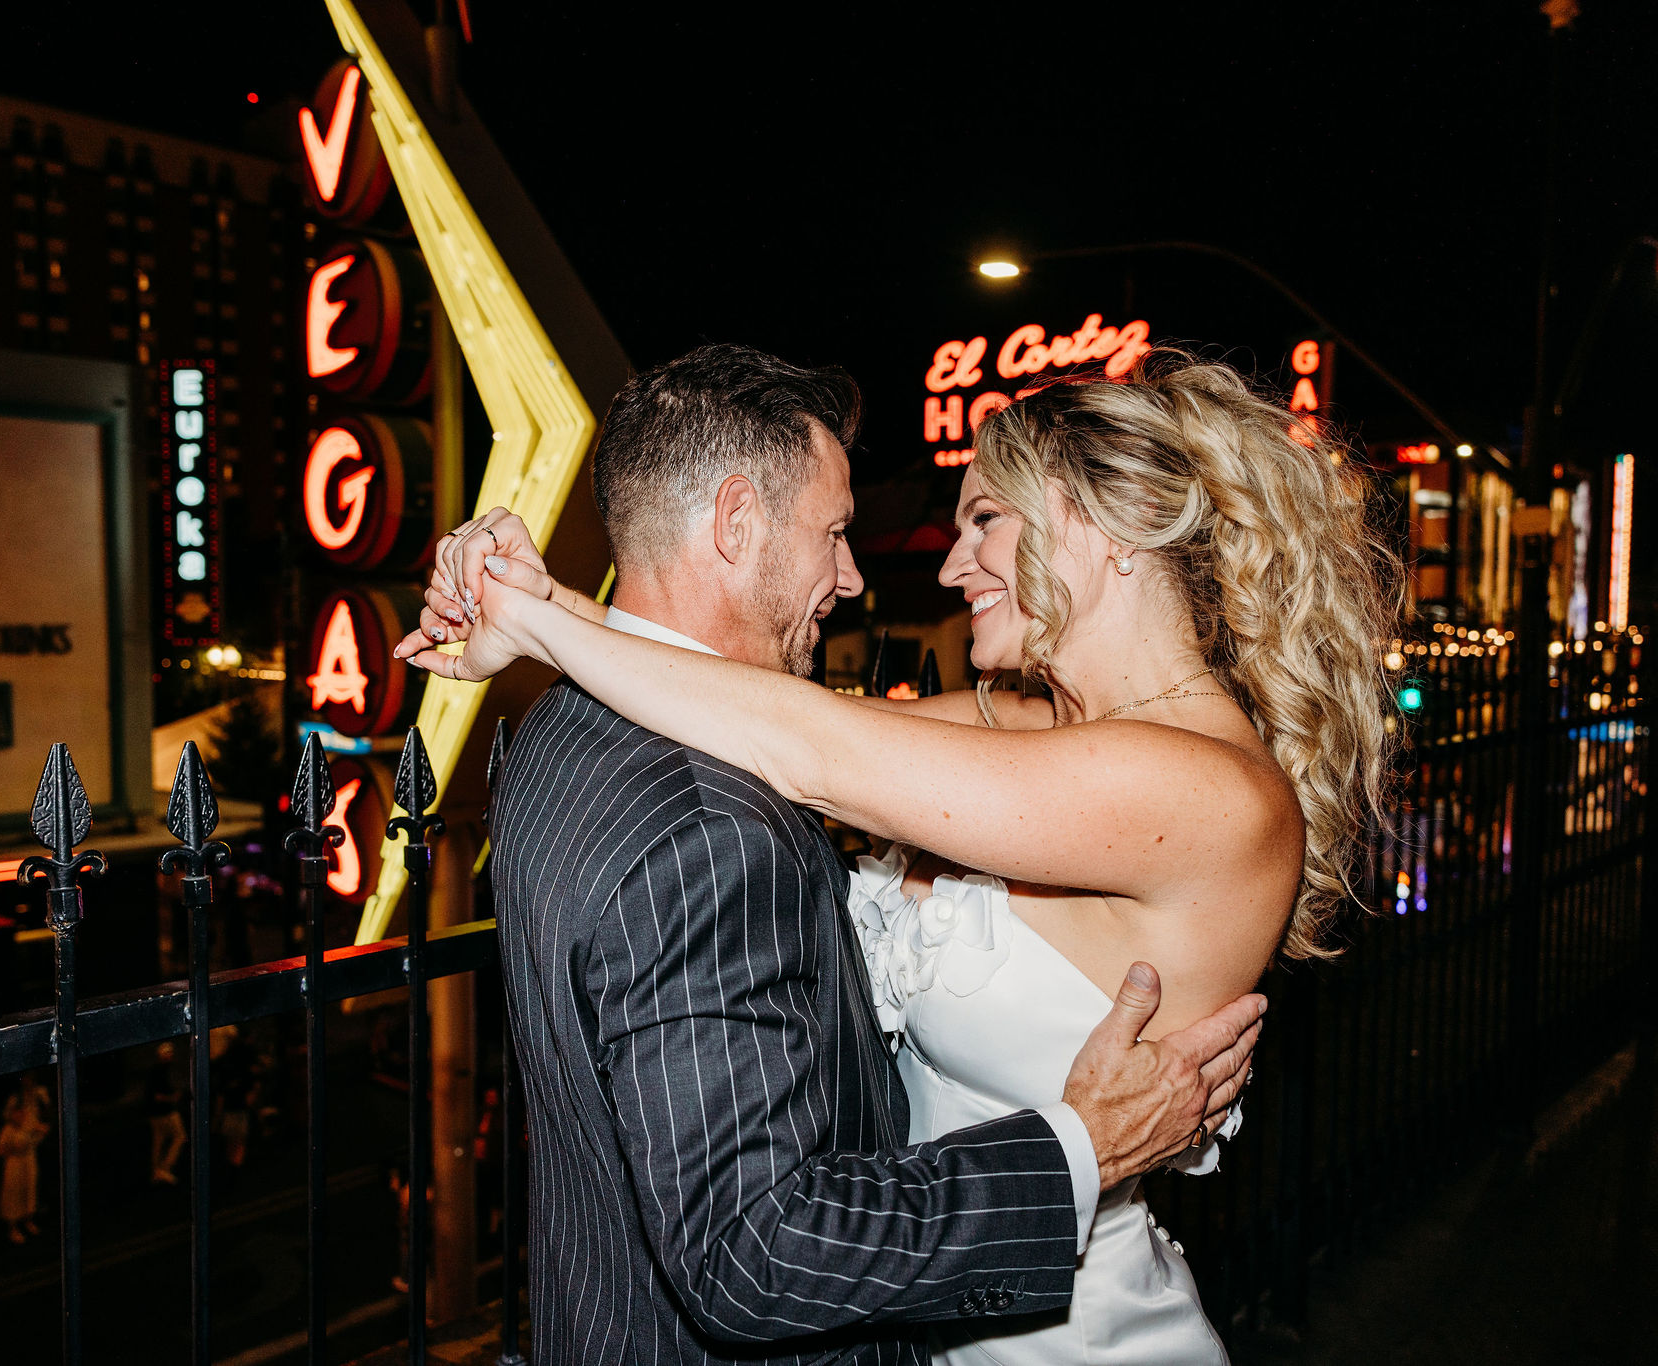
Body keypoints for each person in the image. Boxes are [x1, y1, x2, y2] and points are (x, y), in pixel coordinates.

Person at [396, 346, 1283, 1365]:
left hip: (1053, 1325)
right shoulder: (1029, 729)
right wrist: (538, 606)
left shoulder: (1200, 789)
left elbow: (807, 747)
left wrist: (533, 619)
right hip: (918, 1287)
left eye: (982, 519)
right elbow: (784, 714)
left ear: (1099, 527)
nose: (946, 566)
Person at [0, 1077, 50, 1244]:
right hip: (15, 1163)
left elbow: (37, 1137)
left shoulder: (29, 1124)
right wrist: (14, 1149)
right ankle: (13, 1227)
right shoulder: (9, 1130)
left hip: (28, 1159)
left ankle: (28, 1219)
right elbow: (1, 1149)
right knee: (14, 1194)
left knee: (29, 1189)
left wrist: (39, 1133)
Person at [146, 1044, 187, 1186]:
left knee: (159, 1141)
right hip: (166, 1111)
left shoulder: (155, 1070)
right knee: (179, 1136)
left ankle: (156, 1171)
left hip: (155, 1112)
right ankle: (165, 1167)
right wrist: (173, 1098)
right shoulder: (163, 1071)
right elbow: (157, 1096)